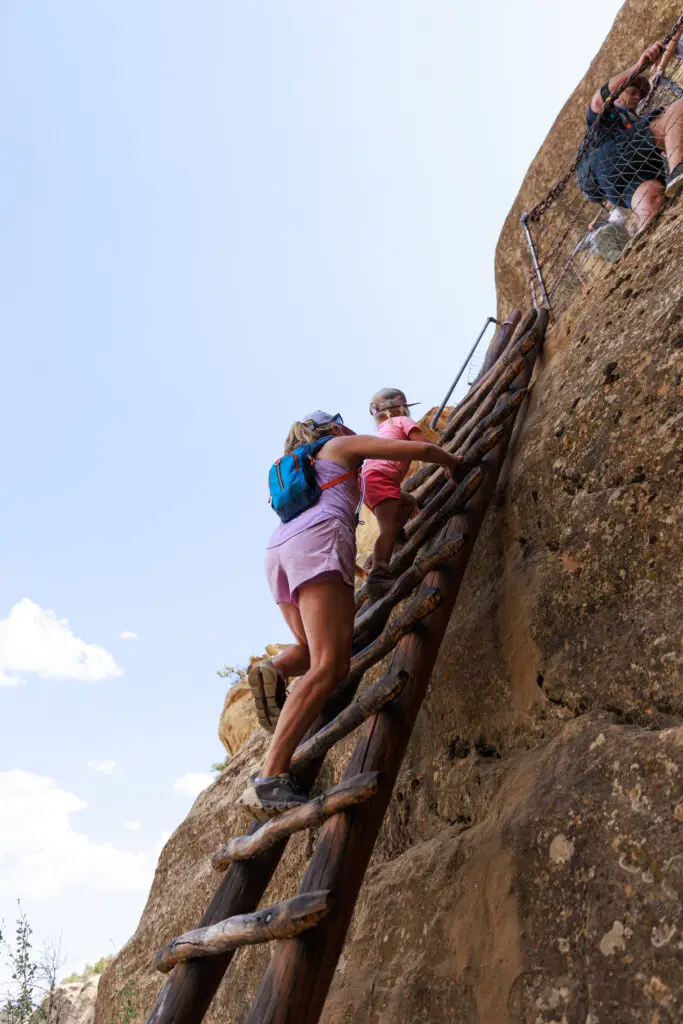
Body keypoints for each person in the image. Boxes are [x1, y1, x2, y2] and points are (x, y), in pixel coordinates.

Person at [248, 409, 461, 814]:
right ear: (330, 428)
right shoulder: (339, 446)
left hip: (279, 552)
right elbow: (409, 448)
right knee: (330, 666)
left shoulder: (306, 465)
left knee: (312, 650)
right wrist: (451, 461)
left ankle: (274, 669)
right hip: (319, 541)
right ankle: (270, 778)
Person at [584, 39, 683, 231]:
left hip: (615, 186)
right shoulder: (604, 115)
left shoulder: (634, 120)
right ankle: (678, 170)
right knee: (677, 111)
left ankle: (644, 239)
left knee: (652, 201)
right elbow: (598, 98)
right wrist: (637, 67)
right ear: (618, 94)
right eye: (632, 90)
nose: (638, 96)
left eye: (640, 94)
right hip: (611, 156)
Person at [361, 388, 431, 598]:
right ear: (402, 408)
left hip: (369, 480)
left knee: (408, 503)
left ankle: (388, 545)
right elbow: (423, 444)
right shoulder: (402, 421)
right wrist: (447, 456)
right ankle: (379, 572)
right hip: (380, 479)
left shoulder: (385, 427)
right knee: (387, 528)